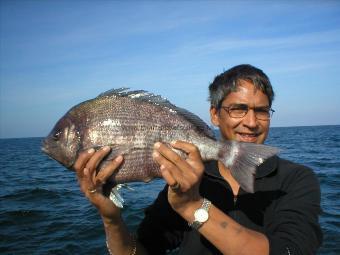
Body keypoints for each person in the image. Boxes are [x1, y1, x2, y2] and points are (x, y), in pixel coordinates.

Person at [74, 64, 323, 255]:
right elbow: (141, 250)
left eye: (261, 111)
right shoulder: (188, 181)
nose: (251, 122)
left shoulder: (296, 179)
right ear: (214, 115)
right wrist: (111, 218)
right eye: (238, 109)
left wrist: (191, 206)